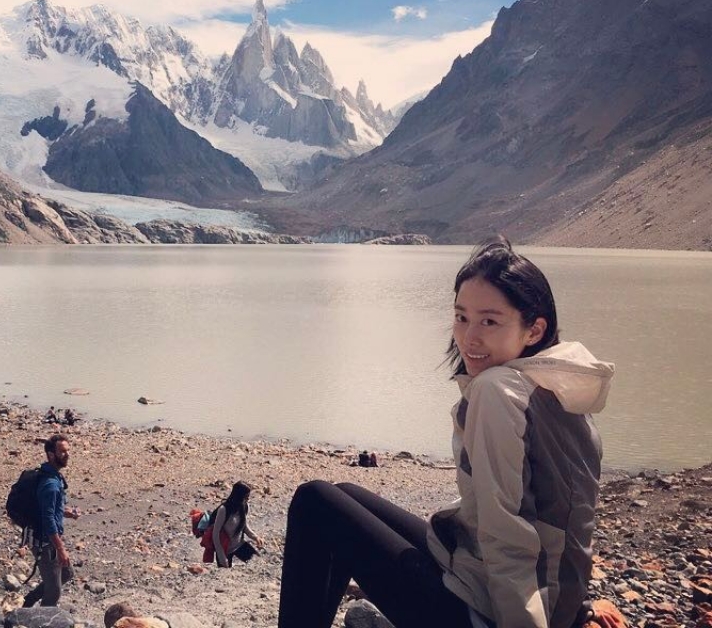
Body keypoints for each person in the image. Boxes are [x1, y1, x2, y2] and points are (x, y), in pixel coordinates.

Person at [278, 236, 616, 628]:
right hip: (544, 599)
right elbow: (569, 520)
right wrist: (576, 609)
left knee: (315, 502)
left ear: (534, 329)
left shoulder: (497, 392)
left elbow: (507, 535)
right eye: (461, 317)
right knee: (343, 494)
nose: (469, 337)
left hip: (487, 614)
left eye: (489, 321)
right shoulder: (560, 379)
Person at [23, 434, 82, 608]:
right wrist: (61, 548)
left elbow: (49, 508)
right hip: (44, 542)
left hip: (47, 538)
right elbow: (48, 519)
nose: (67, 454)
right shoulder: (50, 484)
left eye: (68, 450)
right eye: (62, 452)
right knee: (54, 591)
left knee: (66, 574)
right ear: (50, 455)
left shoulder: (53, 476)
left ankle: (28, 602)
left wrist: (67, 512)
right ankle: (42, 617)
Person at [203, 481, 264, 567]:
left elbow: (244, 526)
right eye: (246, 497)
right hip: (225, 549)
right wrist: (221, 556)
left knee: (257, 563)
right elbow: (215, 534)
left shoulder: (244, 506)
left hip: (239, 545)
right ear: (239, 496)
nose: (248, 499)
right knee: (225, 573)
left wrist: (255, 537)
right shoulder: (224, 510)